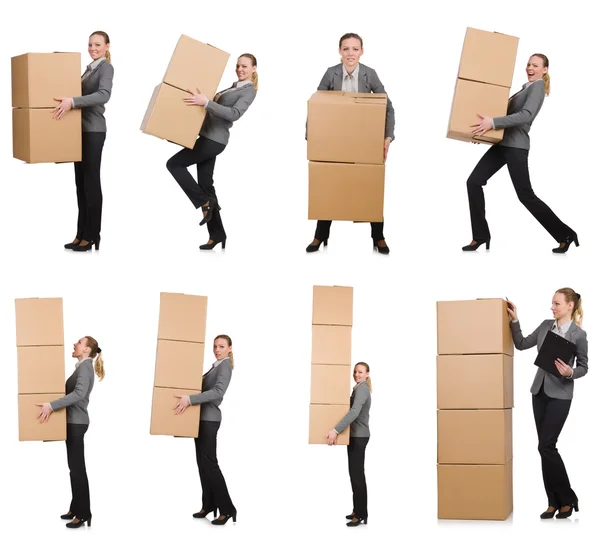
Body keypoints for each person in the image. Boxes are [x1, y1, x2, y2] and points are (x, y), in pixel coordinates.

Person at [465, 54, 578, 254]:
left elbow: (526, 116)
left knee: (525, 195)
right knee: (473, 181)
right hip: (502, 144)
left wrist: (493, 122)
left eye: (535, 65)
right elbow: (505, 116)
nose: (529, 67)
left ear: (545, 70)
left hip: (516, 147)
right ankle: (481, 236)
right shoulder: (525, 88)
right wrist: (484, 131)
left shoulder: (537, 87)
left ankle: (566, 234)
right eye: (528, 64)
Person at [306, 33, 395, 255]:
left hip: (366, 140)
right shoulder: (331, 73)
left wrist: (387, 137)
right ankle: (320, 235)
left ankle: (379, 237)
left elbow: (388, 106)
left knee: (370, 186)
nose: (350, 54)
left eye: (355, 49)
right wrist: (311, 135)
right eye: (346, 49)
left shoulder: (369, 74)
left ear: (361, 52)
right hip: (335, 138)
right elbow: (316, 104)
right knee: (328, 185)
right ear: (340, 51)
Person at [507, 288, 588, 519]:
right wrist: (515, 320)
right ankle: (553, 502)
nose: (552, 307)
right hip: (539, 392)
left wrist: (571, 372)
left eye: (556, 304)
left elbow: (584, 366)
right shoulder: (545, 326)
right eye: (552, 304)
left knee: (547, 446)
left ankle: (568, 498)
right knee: (544, 448)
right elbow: (521, 344)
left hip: (560, 395)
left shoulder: (578, 335)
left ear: (570, 306)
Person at [166, 55, 258, 250]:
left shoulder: (249, 91)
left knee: (174, 164)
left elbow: (234, 114)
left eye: (244, 66)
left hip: (214, 141)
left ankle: (204, 202)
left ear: (254, 69)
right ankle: (217, 235)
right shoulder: (232, 87)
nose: (240, 69)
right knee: (206, 185)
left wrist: (206, 102)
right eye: (238, 65)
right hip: (206, 137)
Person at [37, 336, 105, 529]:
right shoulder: (82, 367)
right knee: (74, 469)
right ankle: (76, 507)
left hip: (76, 423)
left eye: (79, 343)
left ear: (86, 350)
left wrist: (51, 406)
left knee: (77, 470)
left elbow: (78, 394)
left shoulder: (85, 367)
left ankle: (83, 513)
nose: (75, 344)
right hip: (73, 422)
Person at [56, 31, 114, 252]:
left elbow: (104, 95)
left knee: (91, 183)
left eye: (97, 44)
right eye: (90, 44)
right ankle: (81, 234)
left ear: (107, 46)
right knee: (80, 184)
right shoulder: (88, 69)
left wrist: (73, 101)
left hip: (93, 131)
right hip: (79, 132)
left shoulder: (106, 67)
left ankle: (92, 235)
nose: (92, 48)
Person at [174, 335, 236, 525]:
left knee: (210, 464)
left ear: (229, 349)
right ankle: (208, 505)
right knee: (202, 463)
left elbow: (218, 393)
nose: (217, 349)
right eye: (215, 346)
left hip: (210, 420)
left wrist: (190, 399)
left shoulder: (225, 366)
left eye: (222, 346)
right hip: (200, 419)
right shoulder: (215, 366)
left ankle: (227, 509)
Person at [327, 362, 372, 527]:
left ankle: (361, 514)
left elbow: (353, 412)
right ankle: (357, 510)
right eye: (355, 372)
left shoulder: (363, 389)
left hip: (359, 437)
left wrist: (335, 430)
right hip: (354, 436)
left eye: (360, 372)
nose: (357, 375)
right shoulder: (357, 388)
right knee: (354, 475)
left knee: (358, 475)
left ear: (367, 374)